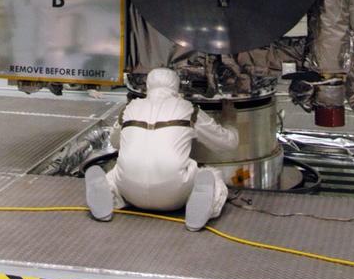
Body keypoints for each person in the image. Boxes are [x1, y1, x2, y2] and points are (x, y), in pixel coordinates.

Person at [84, 67, 239, 230]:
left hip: (130, 190)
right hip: (173, 195)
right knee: (211, 176)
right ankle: (204, 205)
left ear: (148, 86)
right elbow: (228, 144)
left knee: (114, 176)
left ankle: (106, 192)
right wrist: (230, 120)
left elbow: (115, 143)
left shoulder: (129, 108)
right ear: (176, 87)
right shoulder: (190, 109)